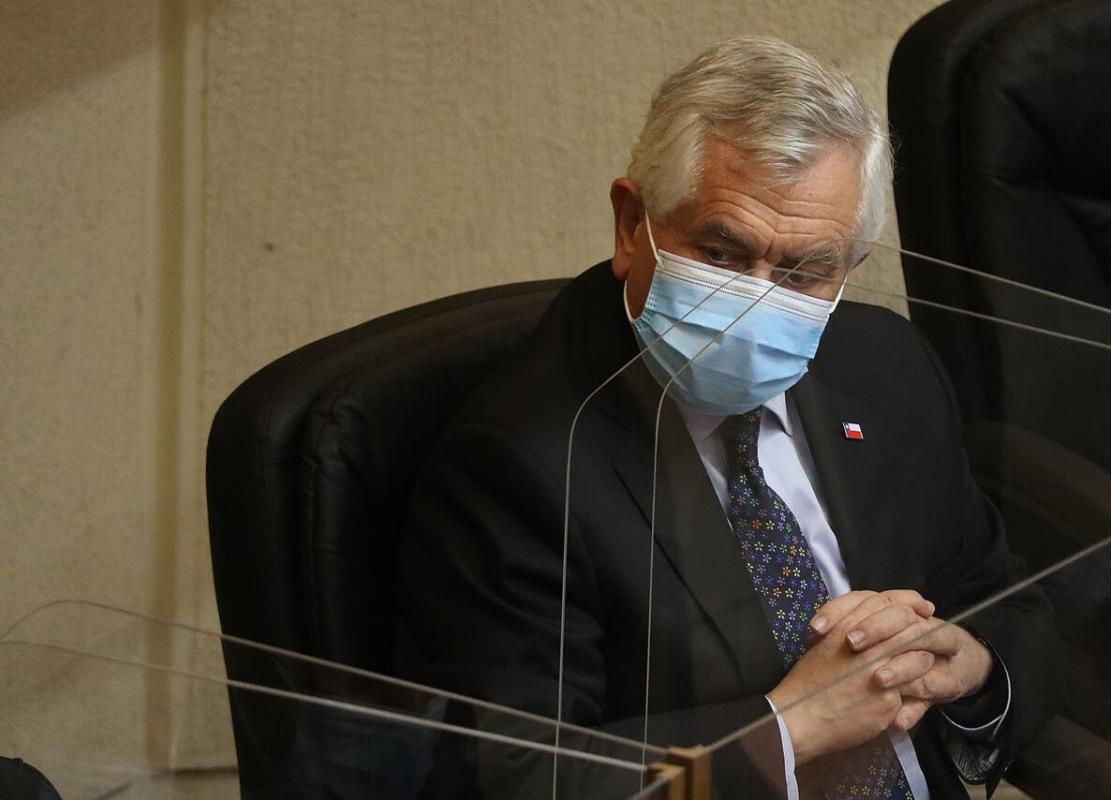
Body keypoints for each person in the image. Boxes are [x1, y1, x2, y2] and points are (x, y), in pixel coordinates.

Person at [396, 36, 1057, 799]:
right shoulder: (519, 461)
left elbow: (1006, 600)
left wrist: (968, 666)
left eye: (804, 272)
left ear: (850, 267)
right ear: (630, 225)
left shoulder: (886, 366)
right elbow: (508, 779)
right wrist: (788, 728)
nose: (756, 300)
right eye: (721, 254)